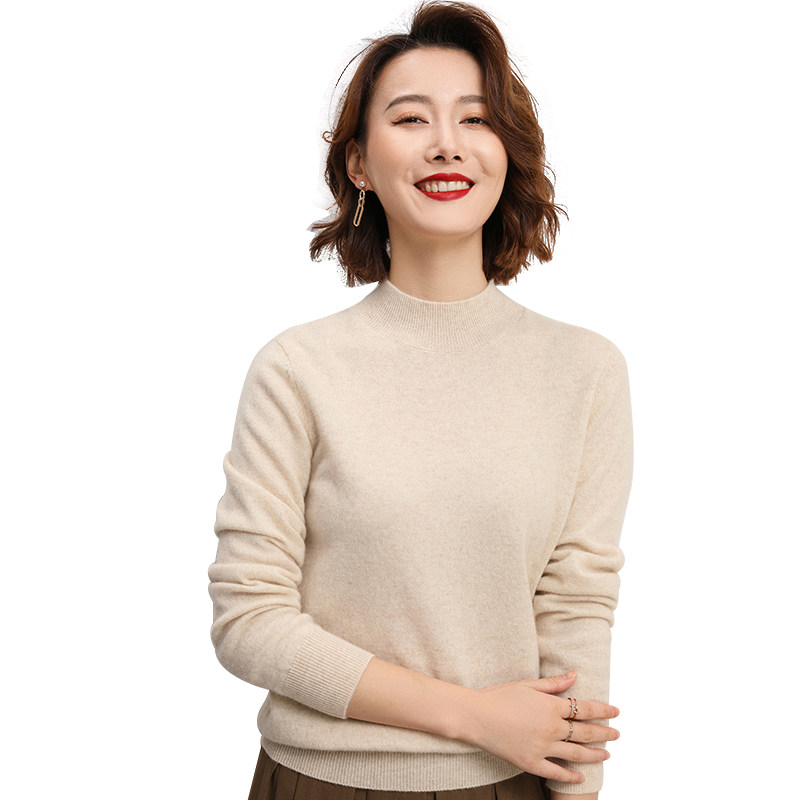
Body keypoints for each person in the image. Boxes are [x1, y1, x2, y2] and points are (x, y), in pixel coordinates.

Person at [208, 2, 634, 799]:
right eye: (410, 119)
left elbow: (577, 605)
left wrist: (578, 788)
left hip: (512, 783)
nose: (447, 142)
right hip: (319, 782)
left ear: (506, 151)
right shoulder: (297, 369)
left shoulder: (585, 371)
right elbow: (248, 621)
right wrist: (474, 717)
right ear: (360, 164)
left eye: (476, 119)